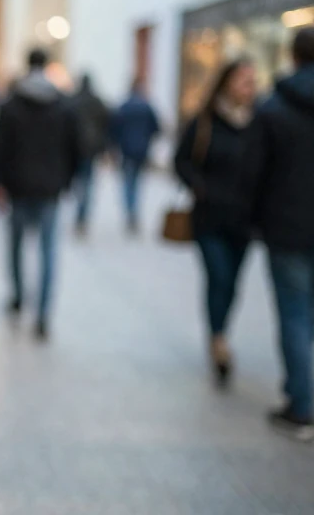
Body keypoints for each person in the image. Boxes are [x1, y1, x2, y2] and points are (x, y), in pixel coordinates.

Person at [241, 27, 314, 441]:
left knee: (294, 315)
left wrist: (252, 220)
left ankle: (301, 406)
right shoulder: (272, 108)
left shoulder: (273, 108)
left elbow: (254, 173)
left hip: (286, 226)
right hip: (289, 225)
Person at [173, 59, 256, 387]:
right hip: (209, 217)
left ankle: (220, 331)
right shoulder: (205, 121)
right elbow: (181, 160)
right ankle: (217, 339)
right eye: (242, 80)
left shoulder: (259, 124)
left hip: (244, 220)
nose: (248, 87)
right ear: (225, 82)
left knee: (232, 283)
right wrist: (199, 185)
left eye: (252, 81)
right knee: (218, 277)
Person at [0, 49, 80, 339]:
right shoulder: (63, 105)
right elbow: (76, 149)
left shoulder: (12, 104)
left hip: (18, 187)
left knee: (16, 245)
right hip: (50, 190)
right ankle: (43, 313)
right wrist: (66, 180)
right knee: (48, 250)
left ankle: (18, 296)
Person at [110, 80, 160, 234]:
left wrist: (114, 147)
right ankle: (134, 211)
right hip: (141, 150)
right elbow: (156, 128)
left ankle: (130, 211)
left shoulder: (124, 107)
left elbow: (114, 129)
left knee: (128, 182)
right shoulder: (147, 107)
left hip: (126, 150)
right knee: (137, 183)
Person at [70, 74, 109, 236]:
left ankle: (81, 214)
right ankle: (82, 215)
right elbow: (106, 122)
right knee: (87, 183)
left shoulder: (73, 101)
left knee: (80, 183)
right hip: (91, 149)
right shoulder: (96, 101)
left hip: (76, 148)